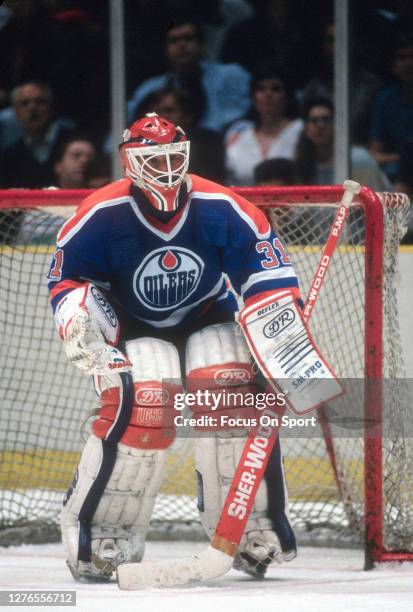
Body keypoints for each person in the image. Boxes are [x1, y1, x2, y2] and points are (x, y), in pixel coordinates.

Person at [47, 113, 301, 582]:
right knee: (146, 402)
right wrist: (76, 317)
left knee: (229, 394)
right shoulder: (100, 213)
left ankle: (248, 527)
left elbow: (267, 277)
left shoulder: (223, 205)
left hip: (209, 314)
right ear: (129, 163)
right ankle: (104, 533)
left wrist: (282, 334)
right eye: (154, 159)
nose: (166, 168)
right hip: (133, 325)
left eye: (173, 157)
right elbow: (67, 279)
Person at [127, 16, 251, 133]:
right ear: (166, 49)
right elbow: (125, 124)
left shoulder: (231, 75)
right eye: (174, 41)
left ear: (201, 44)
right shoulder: (150, 88)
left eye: (188, 38)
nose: (182, 46)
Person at [225, 63, 303, 185]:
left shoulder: (301, 130)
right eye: (261, 89)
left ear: (287, 95)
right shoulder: (239, 136)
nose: (268, 94)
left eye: (275, 89)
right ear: (253, 97)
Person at [295, 97, 391, 191]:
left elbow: (376, 200)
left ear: (336, 125)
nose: (321, 125)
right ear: (306, 129)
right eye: (314, 120)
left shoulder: (360, 160)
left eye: (326, 119)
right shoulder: (302, 164)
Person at [0, 81, 75, 188]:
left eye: (40, 102)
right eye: (25, 103)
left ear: (51, 107)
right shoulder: (10, 155)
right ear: (16, 112)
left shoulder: (74, 142)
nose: (32, 108)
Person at [369, 32, 413, 183]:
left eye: (411, 56)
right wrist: (405, 158)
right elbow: (375, 155)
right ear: (393, 66)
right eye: (402, 58)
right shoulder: (385, 100)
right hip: (393, 176)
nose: (409, 63)